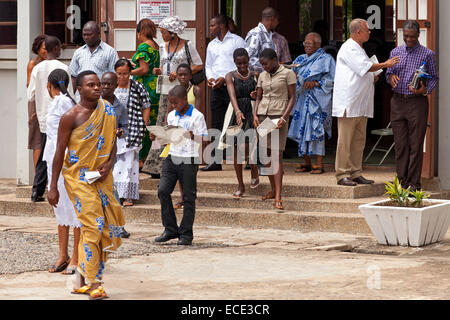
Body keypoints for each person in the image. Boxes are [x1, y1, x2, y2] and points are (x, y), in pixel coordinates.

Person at [47, 70, 125, 300]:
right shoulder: (70, 116)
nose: (97, 88)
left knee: (103, 226)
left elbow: (112, 143)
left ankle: (80, 278)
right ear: (79, 89)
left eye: (99, 84)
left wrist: (109, 165)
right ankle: (94, 282)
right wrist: (52, 186)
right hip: (78, 178)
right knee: (94, 224)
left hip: (101, 178)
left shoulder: (107, 111)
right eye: (91, 85)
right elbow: (59, 152)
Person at [332, 19, 400, 186]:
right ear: (358, 32)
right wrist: (386, 64)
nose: (370, 32)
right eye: (367, 30)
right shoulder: (349, 47)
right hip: (349, 102)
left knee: (359, 140)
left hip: (360, 102)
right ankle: (342, 174)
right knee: (345, 140)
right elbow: (364, 66)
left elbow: (361, 71)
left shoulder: (359, 48)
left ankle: (356, 172)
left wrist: (373, 76)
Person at [142, 15, 203, 178]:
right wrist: (158, 71)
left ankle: (173, 161)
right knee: (163, 123)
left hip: (181, 90)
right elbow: (163, 66)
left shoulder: (187, 45)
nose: (162, 35)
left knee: (177, 124)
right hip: (165, 89)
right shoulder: (163, 46)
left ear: (173, 33)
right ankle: (156, 165)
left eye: (164, 32)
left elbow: (198, 65)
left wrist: (180, 72)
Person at [386, 20, 439, 191]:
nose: (408, 39)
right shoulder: (395, 51)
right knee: (400, 145)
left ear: (418, 35)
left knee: (415, 145)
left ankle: (414, 185)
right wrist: (390, 77)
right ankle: (402, 184)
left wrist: (424, 90)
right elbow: (389, 72)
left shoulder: (427, 54)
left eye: (412, 36)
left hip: (417, 103)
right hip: (397, 102)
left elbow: (435, 78)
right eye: (405, 36)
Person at [152, 85, 207, 246]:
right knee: (162, 191)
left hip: (189, 159)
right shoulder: (171, 116)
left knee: (189, 197)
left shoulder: (197, 116)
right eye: (171, 103)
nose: (174, 106)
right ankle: (170, 229)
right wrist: (159, 136)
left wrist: (191, 135)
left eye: (176, 103)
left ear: (185, 99)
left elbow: (204, 139)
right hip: (172, 156)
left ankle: (186, 234)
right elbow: (168, 138)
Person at [43, 69, 82, 275]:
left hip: (66, 161)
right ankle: (62, 255)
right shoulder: (57, 103)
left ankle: (76, 256)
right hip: (53, 160)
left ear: (50, 85)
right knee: (59, 206)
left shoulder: (64, 103)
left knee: (73, 207)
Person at [27, 35, 73, 202]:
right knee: (61, 151)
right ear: (56, 49)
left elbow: (30, 94)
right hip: (62, 117)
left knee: (44, 153)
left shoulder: (38, 69)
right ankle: (60, 186)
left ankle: (37, 190)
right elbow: (70, 93)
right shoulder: (63, 68)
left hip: (44, 117)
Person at [253, 48, 296, 210]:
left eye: (265, 63)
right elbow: (258, 96)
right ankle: (272, 189)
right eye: (261, 64)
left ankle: (278, 196)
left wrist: (284, 117)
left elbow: (292, 97)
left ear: (274, 60)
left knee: (277, 155)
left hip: (279, 117)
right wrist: (255, 115)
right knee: (266, 155)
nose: (263, 66)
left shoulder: (288, 73)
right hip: (263, 116)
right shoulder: (263, 75)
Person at [202, 14, 246, 172]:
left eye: (212, 25)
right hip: (217, 88)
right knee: (217, 123)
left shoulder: (236, 41)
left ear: (221, 26)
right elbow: (208, 65)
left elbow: (243, 63)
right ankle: (216, 161)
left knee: (238, 122)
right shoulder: (211, 45)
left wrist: (226, 77)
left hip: (234, 86)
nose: (210, 28)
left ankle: (244, 159)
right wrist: (211, 78)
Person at [288, 33, 336, 174]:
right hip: (302, 100)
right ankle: (306, 163)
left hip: (317, 101)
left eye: (310, 43)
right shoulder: (300, 59)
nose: (307, 45)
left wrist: (315, 83)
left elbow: (333, 80)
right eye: (305, 43)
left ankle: (319, 164)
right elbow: (291, 77)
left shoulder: (326, 59)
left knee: (317, 130)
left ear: (318, 44)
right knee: (302, 130)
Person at [113, 59, 151, 207]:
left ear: (130, 73)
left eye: (125, 74)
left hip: (133, 130)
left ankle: (128, 196)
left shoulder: (137, 87)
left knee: (130, 165)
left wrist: (144, 123)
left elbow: (146, 105)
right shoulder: (111, 87)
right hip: (114, 132)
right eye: (119, 74)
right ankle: (115, 195)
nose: (122, 77)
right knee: (116, 165)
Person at [225, 48, 259, 198]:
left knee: (250, 144)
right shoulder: (230, 76)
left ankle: (253, 168)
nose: (242, 66)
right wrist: (237, 111)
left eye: (245, 62)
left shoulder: (256, 75)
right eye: (239, 63)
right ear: (234, 62)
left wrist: (256, 95)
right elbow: (232, 94)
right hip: (236, 111)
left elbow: (261, 94)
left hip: (252, 110)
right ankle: (240, 184)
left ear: (249, 60)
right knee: (237, 150)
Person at [100, 71, 130, 239]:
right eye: (103, 83)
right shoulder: (95, 104)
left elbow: (125, 127)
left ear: (115, 85)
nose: (105, 87)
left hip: (109, 153)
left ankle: (118, 226)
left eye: (109, 84)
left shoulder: (120, 106)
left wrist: (120, 131)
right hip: (91, 153)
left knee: (111, 189)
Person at [130, 18, 160, 170]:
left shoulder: (143, 47)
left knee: (141, 122)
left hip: (144, 88)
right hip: (155, 88)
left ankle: (141, 161)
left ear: (139, 32)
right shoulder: (156, 46)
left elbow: (144, 69)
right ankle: (150, 159)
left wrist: (127, 71)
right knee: (152, 124)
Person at [69, 21, 119, 94]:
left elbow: (114, 77)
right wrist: (72, 97)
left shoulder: (110, 52)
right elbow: (73, 76)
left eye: (89, 34)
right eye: (84, 35)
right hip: (81, 98)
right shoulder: (78, 52)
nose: (86, 37)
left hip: (101, 97)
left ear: (98, 34)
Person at [27, 35, 48, 170]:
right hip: (36, 103)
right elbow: (29, 86)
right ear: (38, 49)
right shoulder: (33, 64)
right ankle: (38, 177)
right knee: (37, 142)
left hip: (48, 103)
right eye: (44, 49)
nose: (46, 51)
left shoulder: (52, 63)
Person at [245, 7, 278, 73]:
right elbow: (248, 59)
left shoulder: (269, 35)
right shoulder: (256, 34)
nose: (278, 23)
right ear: (272, 19)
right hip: (258, 79)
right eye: (277, 20)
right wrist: (269, 65)